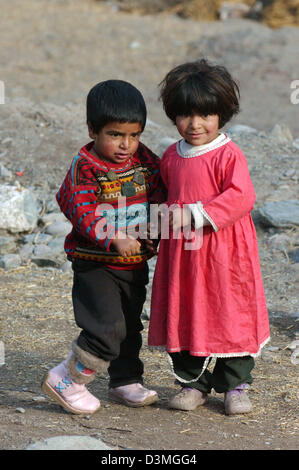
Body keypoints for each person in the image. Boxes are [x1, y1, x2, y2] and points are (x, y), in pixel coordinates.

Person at [148, 59, 270, 415]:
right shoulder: (171, 156)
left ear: (222, 113)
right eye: (186, 115)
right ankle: (193, 385)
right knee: (187, 311)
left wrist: (196, 213)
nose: (195, 124)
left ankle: (235, 386)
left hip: (225, 254)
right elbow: (163, 196)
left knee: (230, 312)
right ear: (173, 115)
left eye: (205, 115)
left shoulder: (228, 155)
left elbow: (242, 197)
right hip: (184, 256)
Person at [42, 79, 165, 415]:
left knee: (129, 323)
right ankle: (67, 379)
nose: (126, 145)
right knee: (105, 327)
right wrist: (113, 236)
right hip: (95, 263)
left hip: (133, 263)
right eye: (115, 134)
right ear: (93, 130)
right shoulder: (85, 168)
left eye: (134, 135)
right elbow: (79, 208)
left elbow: (158, 194)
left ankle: (124, 380)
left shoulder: (144, 161)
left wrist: (158, 230)